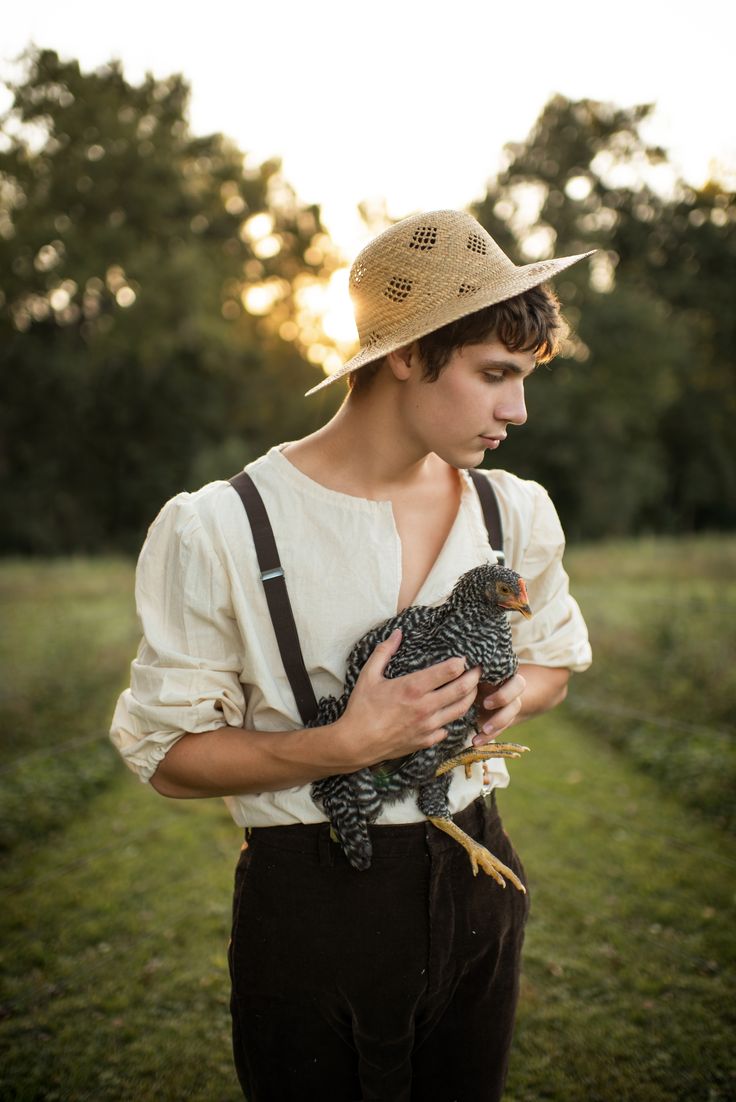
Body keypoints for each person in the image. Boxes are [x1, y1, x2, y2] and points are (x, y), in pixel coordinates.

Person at [110, 209, 593, 1102]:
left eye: (522, 379)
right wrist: (343, 746)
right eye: (495, 375)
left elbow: (554, 663)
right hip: (312, 899)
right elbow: (167, 759)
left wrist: (511, 697)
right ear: (408, 354)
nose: (517, 410)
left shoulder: (513, 513)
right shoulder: (222, 525)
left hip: (481, 880)